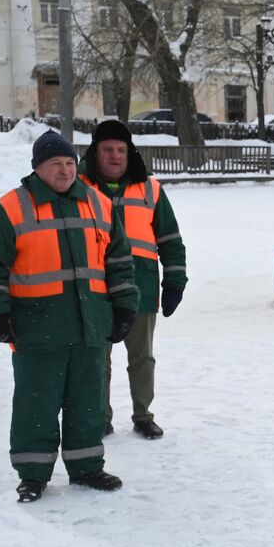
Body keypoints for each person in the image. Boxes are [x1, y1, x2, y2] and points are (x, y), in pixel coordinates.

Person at [0, 130, 139, 502]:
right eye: (55, 164)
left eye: (69, 163)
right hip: (36, 326)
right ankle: (32, 474)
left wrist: (125, 304)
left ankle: (86, 467)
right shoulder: (11, 208)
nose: (65, 171)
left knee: (88, 401)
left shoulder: (98, 204)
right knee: (36, 403)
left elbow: (119, 262)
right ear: (38, 168)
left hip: (90, 324)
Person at [80, 120, 188, 439]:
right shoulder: (80, 187)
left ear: (130, 153)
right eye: (107, 150)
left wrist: (175, 281)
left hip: (141, 286)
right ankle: (101, 417)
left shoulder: (150, 188)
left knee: (142, 356)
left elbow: (170, 239)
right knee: (99, 358)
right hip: (96, 286)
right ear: (95, 153)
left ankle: (143, 414)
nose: (115, 156)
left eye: (121, 150)